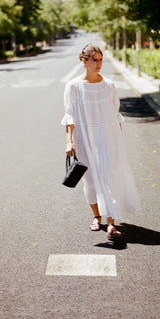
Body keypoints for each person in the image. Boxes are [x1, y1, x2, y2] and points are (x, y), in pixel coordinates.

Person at [61, 43, 140, 240]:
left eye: (100, 60)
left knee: (110, 178)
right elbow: (69, 117)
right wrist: (69, 142)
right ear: (84, 61)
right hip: (84, 139)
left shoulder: (109, 86)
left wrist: (119, 143)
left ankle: (112, 223)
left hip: (108, 139)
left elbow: (116, 115)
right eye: (94, 60)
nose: (99, 64)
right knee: (90, 182)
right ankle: (97, 216)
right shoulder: (73, 86)